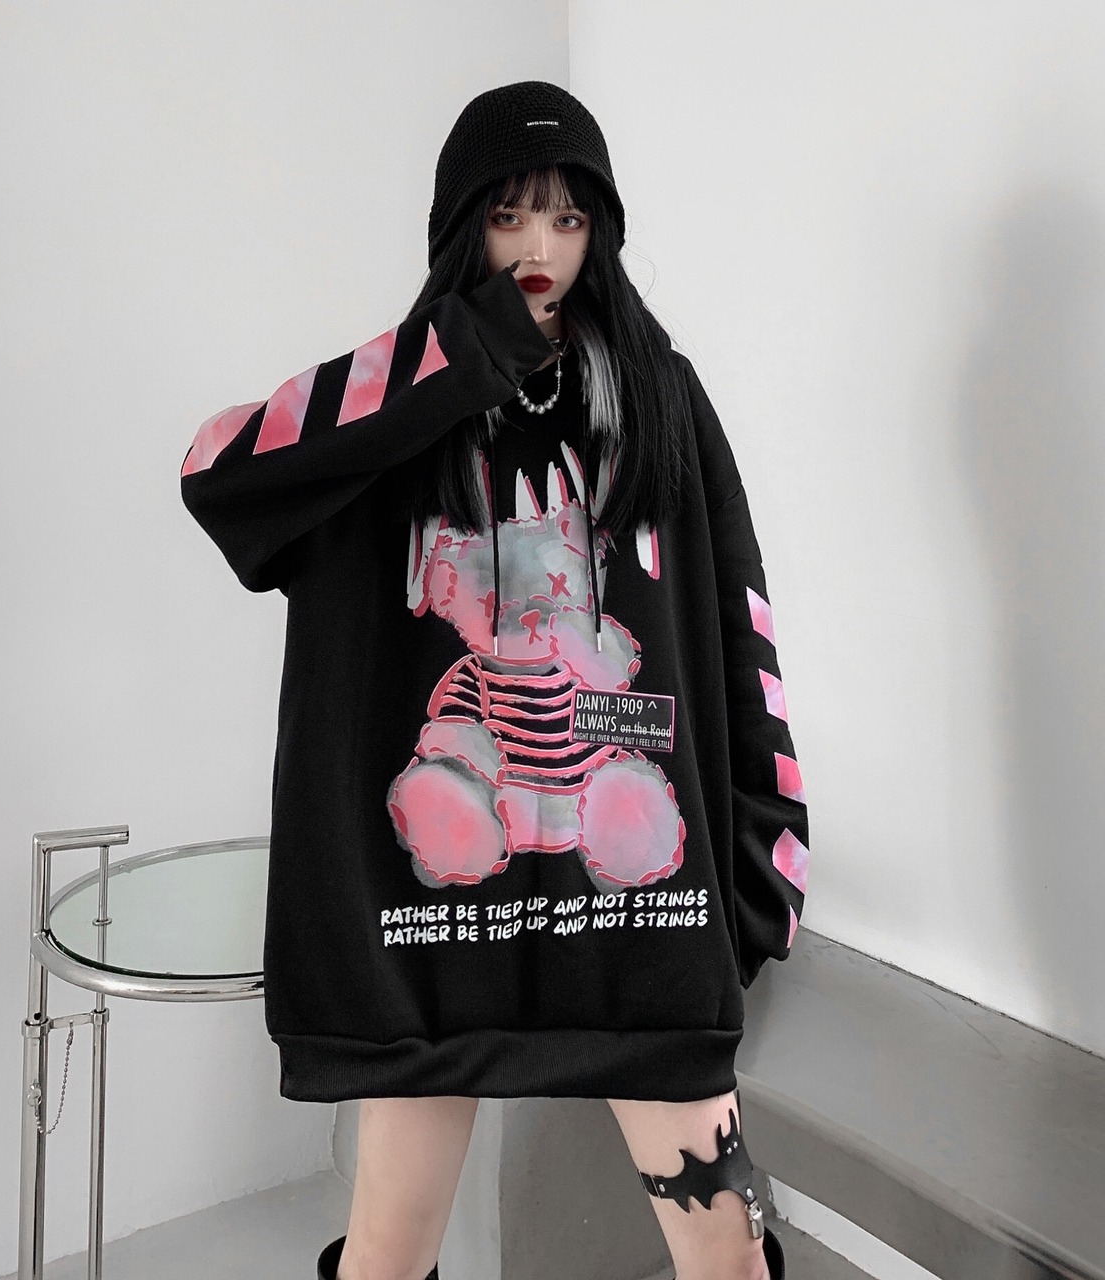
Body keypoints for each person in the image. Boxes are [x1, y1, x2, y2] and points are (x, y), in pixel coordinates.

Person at [182, 80, 807, 1280]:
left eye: (567, 219)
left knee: (727, 1257)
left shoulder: (658, 394)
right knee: (385, 1256)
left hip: (643, 935)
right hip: (425, 951)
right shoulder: (400, 401)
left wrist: (765, 846)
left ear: (599, 233)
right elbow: (219, 470)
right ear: (459, 225)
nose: (537, 248)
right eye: (508, 215)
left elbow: (738, 618)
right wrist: (459, 354)